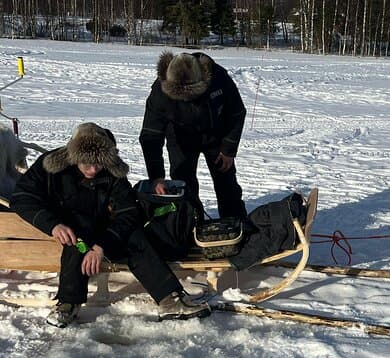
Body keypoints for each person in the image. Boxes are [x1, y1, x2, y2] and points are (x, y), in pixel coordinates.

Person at [11, 123, 211, 327]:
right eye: (86, 164)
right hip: (70, 230)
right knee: (76, 240)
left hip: (106, 231)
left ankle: (170, 300)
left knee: (135, 237)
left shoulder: (113, 172)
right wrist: (53, 225)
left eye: (98, 165)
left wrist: (101, 246)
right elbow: (21, 198)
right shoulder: (50, 166)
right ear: (73, 157)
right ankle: (68, 304)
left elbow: (128, 212)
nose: (93, 170)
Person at [139, 51, 247, 220]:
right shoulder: (160, 92)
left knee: (227, 184)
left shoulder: (218, 77)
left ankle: (237, 224)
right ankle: (191, 225)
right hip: (180, 139)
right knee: (184, 185)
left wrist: (228, 149)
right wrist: (156, 176)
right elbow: (151, 135)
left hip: (216, 136)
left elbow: (237, 112)